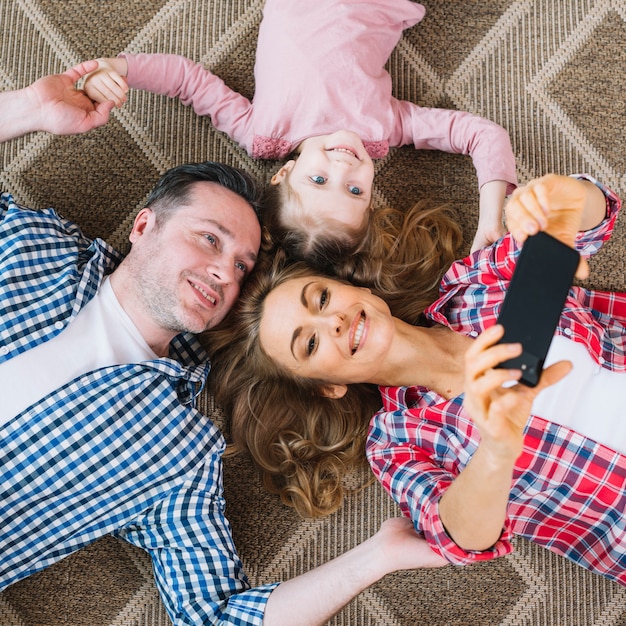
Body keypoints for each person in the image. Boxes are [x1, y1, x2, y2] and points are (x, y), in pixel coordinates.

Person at [0, 66, 447, 625]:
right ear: (143, 227)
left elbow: (218, 617)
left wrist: (375, 558)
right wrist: (26, 110)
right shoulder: (29, 245)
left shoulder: (178, 452)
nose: (222, 271)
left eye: (240, 265)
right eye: (209, 238)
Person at [206, 173, 626, 586]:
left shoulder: (472, 287)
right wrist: (497, 449)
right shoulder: (396, 443)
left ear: (358, 290)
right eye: (310, 345)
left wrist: (561, 197)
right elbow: (461, 539)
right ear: (326, 387)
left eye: (321, 298)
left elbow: (588, 221)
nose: (332, 322)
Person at [81, 0, 517, 263]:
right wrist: (489, 219)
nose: (345, 167)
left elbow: (186, 80)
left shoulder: (259, 131)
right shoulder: (385, 127)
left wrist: (117, 69)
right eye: (355, 191)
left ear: (283, 173)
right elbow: (483, 135)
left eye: (320, 180)